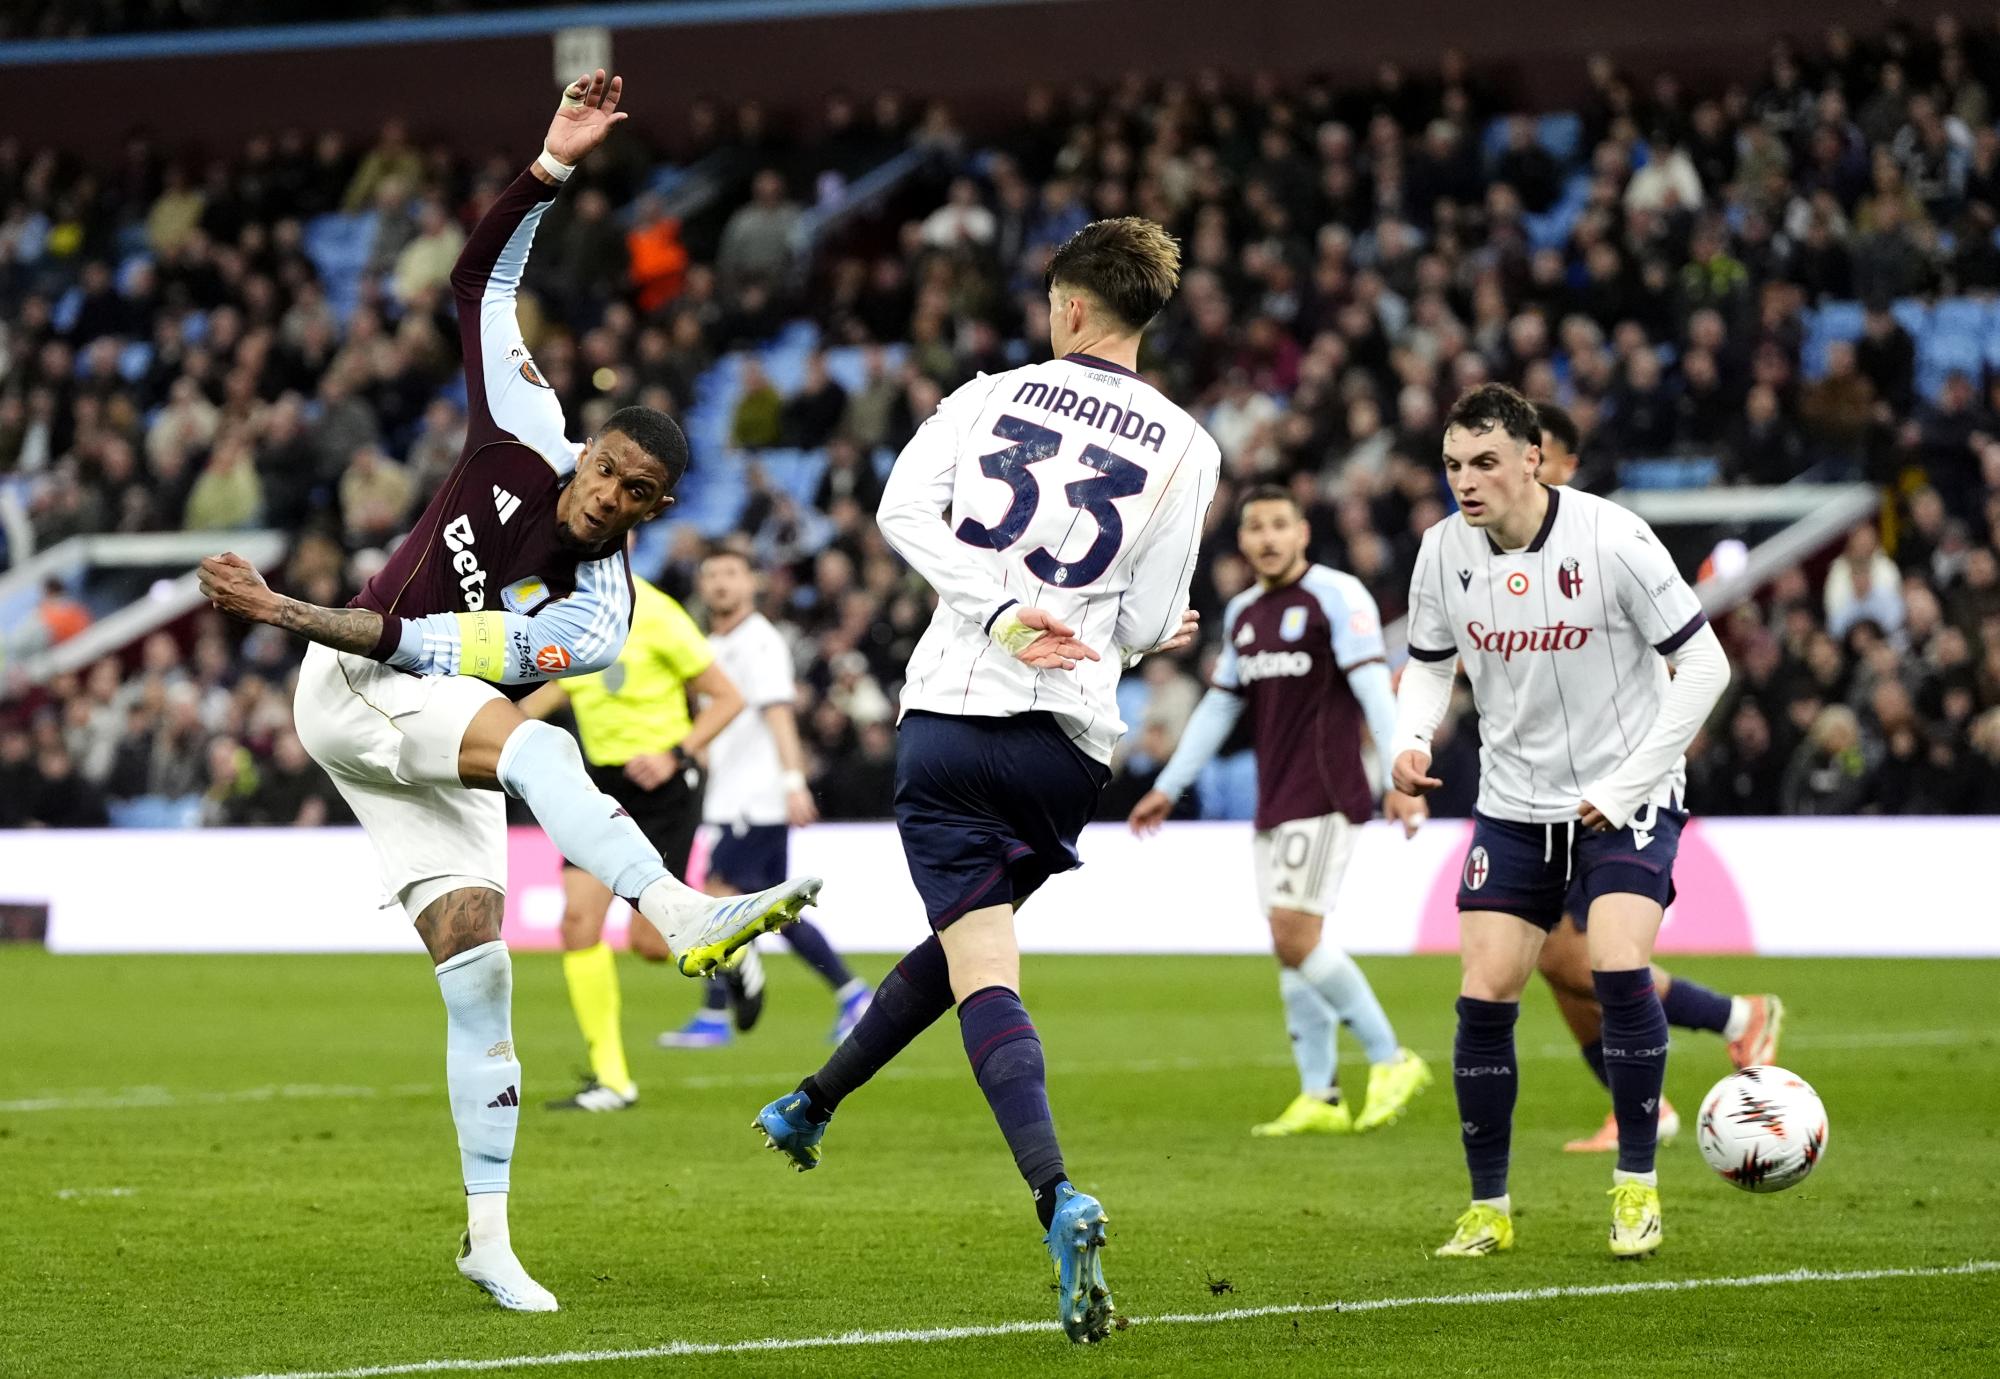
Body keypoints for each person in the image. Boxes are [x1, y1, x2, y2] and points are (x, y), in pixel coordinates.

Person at [196, 72, 820, 1314]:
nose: (606, 493)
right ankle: (679, 913)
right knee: (540, 760)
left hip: (395, 680)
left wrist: (280, 608)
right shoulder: (524, 424)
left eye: (636, 493)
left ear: (654, 510)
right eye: (607, 469)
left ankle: (487, 1234)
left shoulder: (601, 616)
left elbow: (438, 651)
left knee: (482, 970)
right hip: (350, 685)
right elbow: (478, 285)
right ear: (587, 451)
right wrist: (549, 165)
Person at [752, 217, 1218, 1343]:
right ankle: (810, 1101)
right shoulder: (1189, 445)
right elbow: (1154, 618)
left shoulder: (985, 396)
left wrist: (1002, 607)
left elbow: (898, 511)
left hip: (955, 717)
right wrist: (1133, 634)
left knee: (983, 960)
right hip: (1068, 747)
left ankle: (1057, 1190)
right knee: (973, 939)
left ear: (1066, 307)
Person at [1390, 384, 1731, 1261]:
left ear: (1532, 458)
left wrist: (1630, 783)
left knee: (1619, 968)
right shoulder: (1441, 552)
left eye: (1486, 462)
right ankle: (1489, 1207)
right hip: (1513, 803)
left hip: (1628, 798)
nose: (1467, 481)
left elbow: (1704, 665)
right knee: (1484, 991)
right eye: (1455, 465)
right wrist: (1408, 737)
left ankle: (1635, 1188)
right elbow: (1429, 667)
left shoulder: (1611, 537)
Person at [1127, 486, 1432, 1137]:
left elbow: (1375, 686)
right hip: (1275, 798)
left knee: (1296, 936)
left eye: (1279, 525)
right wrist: (1172, 783)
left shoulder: (1337, 595)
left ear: (1301, 533)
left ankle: (1392, 1057)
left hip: (1326, 792)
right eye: (1255, 527)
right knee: (1291, 946)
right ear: (1241, 541)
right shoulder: (1243, 612)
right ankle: (1319, 1094)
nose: (1266, 537)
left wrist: (1402, 773)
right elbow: (1218, 707)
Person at [1529, 405, 1784, 1153]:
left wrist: (1646, 760)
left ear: (1568, 467)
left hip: (1620, 785)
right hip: (1542, 786)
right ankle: (1675, 1075)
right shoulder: (1489, 561)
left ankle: (1729, 1025)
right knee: (1552, 959)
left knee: (1599, 958)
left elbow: (1691, 657)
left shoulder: (1611, 544)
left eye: (1538, 456)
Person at [520, 572, 745, 1112]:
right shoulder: (563, 615)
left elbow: (726, 698)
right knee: (578, 923)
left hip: (663, 786)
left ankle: (737, 947)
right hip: (600, 789)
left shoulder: (659, 613)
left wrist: (677, 753)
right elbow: (558, 686)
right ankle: (612, 1080)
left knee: (648, 944)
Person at [657, 547, 873, 1049]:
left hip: (754, 799)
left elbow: (779, 715)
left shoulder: (760, 642)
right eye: (711, 574)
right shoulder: (711, 644)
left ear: (751, 583)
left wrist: (794, 782)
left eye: (730, 573)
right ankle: (853, 994)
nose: (720, 584)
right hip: (728, 798)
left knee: (717, 899)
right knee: (777, 913)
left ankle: (715, 1015)